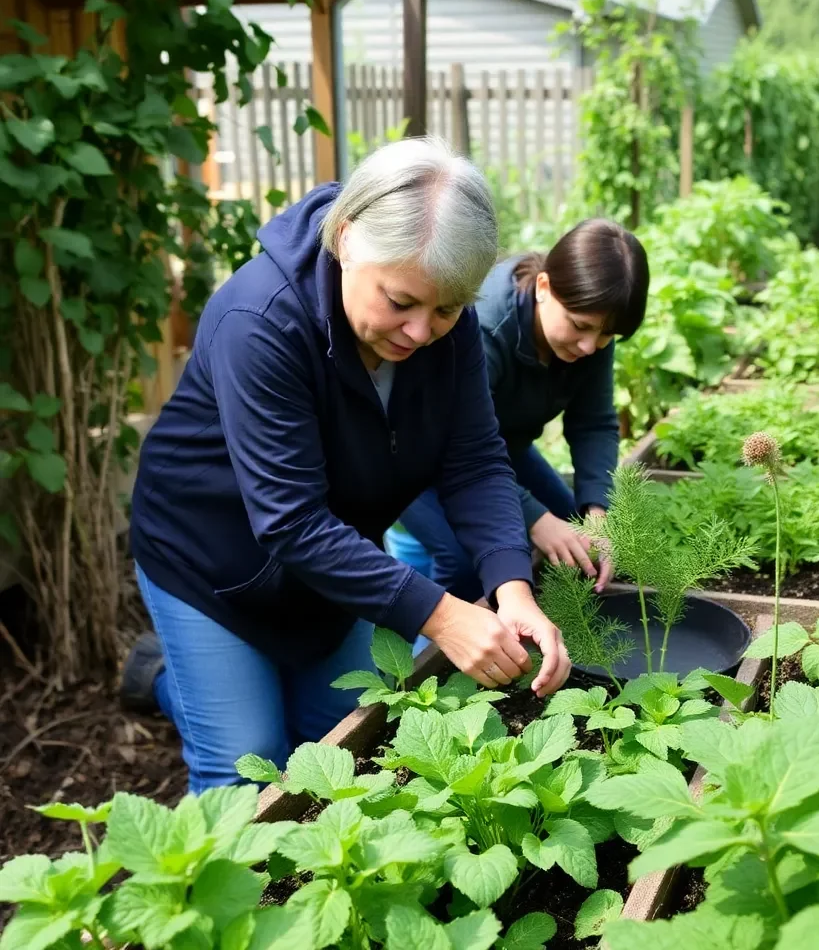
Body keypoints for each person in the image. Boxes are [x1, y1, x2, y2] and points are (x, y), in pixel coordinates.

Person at [121, 137, 571, 794]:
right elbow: (290, 520)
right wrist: (442, 616)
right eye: (400, 303)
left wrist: (512, 588)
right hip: (209, 562)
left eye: (445, 309)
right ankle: (176, 678)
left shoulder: (449, 324)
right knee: (247, 765)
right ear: (347, 239)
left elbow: (473, 461)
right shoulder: (263, 318)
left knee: (343, 731)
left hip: (331, 563)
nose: (420, 333)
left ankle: (194, 684)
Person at [396, 219, 649, 601]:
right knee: (470, 558)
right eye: (580, 327)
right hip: (420, 457)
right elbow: (456, 448)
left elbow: (593, 423)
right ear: (544, 287)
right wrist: (534, 521)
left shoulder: (594, 324)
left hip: (501, 450)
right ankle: (433, 655)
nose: (588, 347)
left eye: (605, 336)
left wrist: (598, 510)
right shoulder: (485, 329)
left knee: (577, 534)